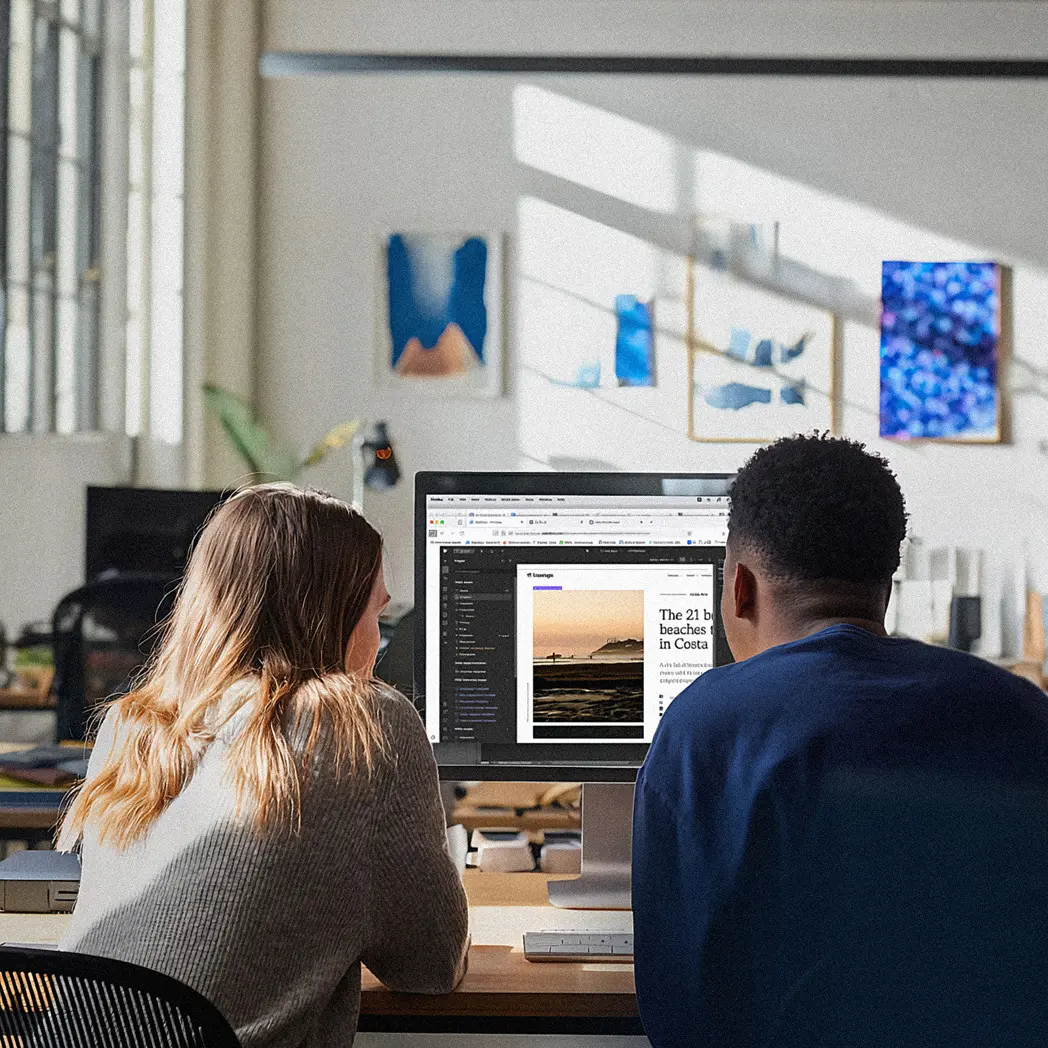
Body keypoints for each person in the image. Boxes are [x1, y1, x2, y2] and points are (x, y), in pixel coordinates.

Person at [632, 434, 1048, 1048]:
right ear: (888, 585)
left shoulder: (706, 725)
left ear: (739, 587)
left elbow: (679, 1004)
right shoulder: (1022, 712)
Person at [58, 484, 469, 1048]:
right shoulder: (365, 723)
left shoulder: (129, 724)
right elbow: (429, 965)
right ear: (331, 616)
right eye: (376, 614)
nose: (378, 640)